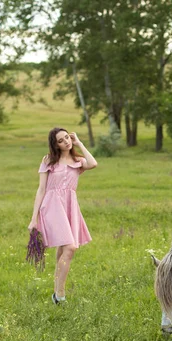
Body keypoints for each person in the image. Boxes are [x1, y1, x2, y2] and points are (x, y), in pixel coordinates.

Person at [28, 127, 98, 305]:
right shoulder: (48, 161)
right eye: (61, 140)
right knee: (71, 247)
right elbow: (41, 189)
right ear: (55, 144)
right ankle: (60, 295)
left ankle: (56, 292)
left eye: (67, 137)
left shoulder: (77, 160)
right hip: (51, 205)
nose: (66, 141)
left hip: (69, 205)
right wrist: (33, 218)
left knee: (63, 248)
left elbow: (93, 163)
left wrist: (79, 143)